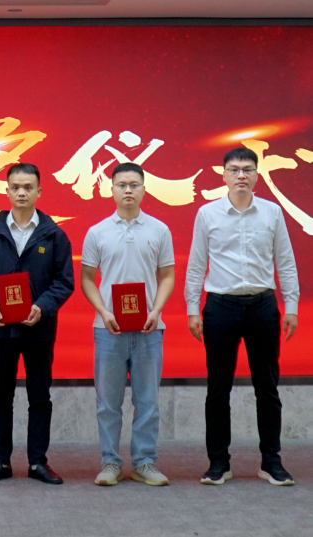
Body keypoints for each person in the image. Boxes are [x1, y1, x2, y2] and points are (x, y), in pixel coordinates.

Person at [185, 147, 299, 486]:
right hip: (221, 307)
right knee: (218, 389)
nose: (241, 176)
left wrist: (291, 306)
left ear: (256, 175)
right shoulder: (207, 214)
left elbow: (285, 261)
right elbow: (196, 264)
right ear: (223, 175)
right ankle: (219, 462)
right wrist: (192, 309)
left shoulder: (272, 213)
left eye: (247, 169)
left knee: (268, 387)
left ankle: (271, 461)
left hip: (262, 306)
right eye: (234, 169)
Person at [0, 163, 74, 485]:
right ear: (7, 191)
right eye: (16, 187)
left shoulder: (54, 235)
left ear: (39, 191)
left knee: (39, 396)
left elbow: (64, 281)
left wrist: (43, 306)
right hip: (0, 328)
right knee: (1, 395)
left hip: (39, 328)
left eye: (28, 187)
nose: (22, 193)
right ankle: (0, 461)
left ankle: (38, 462)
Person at [80, 162, 174, 486]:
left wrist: (156, 310)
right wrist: (103, 311)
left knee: (148, 401)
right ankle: (110, 462)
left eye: (134, 184)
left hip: (149, 328)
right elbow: (87, 278)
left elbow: (167, 276)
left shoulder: (159, 230)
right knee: (108, 402)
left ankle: (145, 462)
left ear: (145, 189)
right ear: (111, 190)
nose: (128, 190)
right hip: (108, 330)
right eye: (122, 185)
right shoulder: (97, 232)